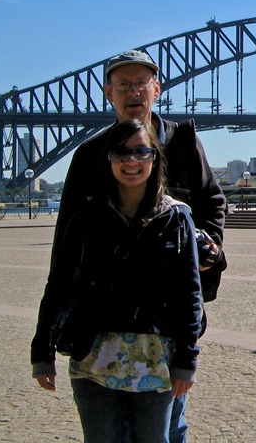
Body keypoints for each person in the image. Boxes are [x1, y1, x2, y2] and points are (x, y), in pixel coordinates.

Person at [54, 49, 224, 443]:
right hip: (104, 318)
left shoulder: (182, 143)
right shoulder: (88, 156)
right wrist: (54, 323)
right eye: (124, 84)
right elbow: (66, 241)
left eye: (141, 83)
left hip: (166, 320)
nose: (134, 92)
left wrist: (207, 244)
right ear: (108, 93)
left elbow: (213, 201)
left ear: (157, 89)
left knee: (169, 425)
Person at [31, 119, 202, 442]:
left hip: (155, 362)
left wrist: (186, 359)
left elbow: (188, 294)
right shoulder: (86, 217)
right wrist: (42, 352)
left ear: (155, 158)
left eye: (141, 151)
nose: (131, 161)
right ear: (108, 159)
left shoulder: (177, 218)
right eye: (121, 153)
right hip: (92, 359)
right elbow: (59, 285)